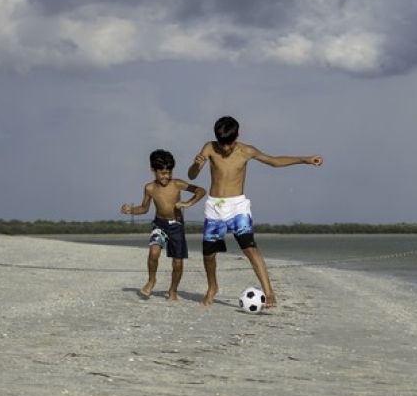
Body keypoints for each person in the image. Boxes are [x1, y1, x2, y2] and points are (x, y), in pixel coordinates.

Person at [187, 115, 323, 307]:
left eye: (229, 144)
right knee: (209, 254)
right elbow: (192, 175)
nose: (225, 148)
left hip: (238, 207)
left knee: (250, 249)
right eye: (222, 143)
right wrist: (195, 164)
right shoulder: (209, 147)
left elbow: (273, 161)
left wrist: (305, 159)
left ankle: (269, 292)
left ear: (237, 137)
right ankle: (212, 287)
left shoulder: (246, 151)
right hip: (215, 207)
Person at [120, 149, 206, 301]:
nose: (166, 176)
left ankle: (173, 290)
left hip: (176, 225)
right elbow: (144, 209)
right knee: (153, 253)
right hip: (159, 224)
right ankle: (151, 280)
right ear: (154, 171)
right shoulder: (149, 188)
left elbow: (201, 191)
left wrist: (188, 203)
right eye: (162, 173)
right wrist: (131, 210)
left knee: (177, 262)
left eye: (169, 172)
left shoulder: (177, 184)